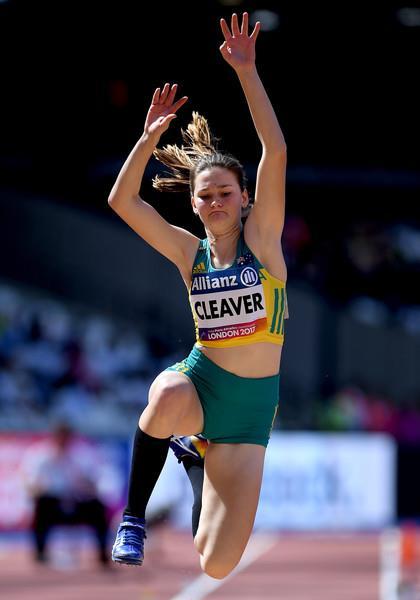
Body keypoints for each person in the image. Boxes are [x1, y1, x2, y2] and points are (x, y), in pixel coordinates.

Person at [109, 12, 287, 579]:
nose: (214, 202)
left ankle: (195, 455)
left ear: (244, 199)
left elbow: (275, 150)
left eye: (225, 193)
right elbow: (122, 201)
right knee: (163, 393)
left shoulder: (263, 241)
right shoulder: (191, 254)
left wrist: (247, 73)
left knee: (215, 563)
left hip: (251, 410)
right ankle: (133, 518)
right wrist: (146, 139)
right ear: (193, 203)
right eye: (204, 195)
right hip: (202, 380)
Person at [22, 422, 109, 565]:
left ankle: (103, 554)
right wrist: (43, 487)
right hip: (52, 504)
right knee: (41, 505)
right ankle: (40, 553)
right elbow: (30, 485)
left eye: (66, 438)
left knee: (98, 507)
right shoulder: (40, 455)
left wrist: (81, 481)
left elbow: (95, 484)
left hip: (77, 501)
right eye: (60, 437)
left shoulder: (83, 455)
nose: (63, 441)